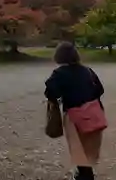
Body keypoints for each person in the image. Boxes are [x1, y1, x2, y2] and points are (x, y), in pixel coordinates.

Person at [45, 42, 105, 180]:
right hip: (94, 113)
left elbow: (50, 92)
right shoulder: (87, 70)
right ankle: (86, 173)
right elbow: (100, 90)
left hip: (75, 115)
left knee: (78, 148)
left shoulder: (59, 73)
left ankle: (84, 175)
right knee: (90, 148)